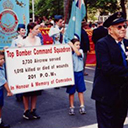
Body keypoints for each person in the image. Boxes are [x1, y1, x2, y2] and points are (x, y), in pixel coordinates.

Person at [91, 12, 128, 128]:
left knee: (119, 124)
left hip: (123, 94)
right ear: (110, 30)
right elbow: (106, 67)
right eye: (119, 27)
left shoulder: (126, 43)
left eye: (125, 26)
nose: (123, 29)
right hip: (106, 94)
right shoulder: (102, 44)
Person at [18, 22, 42, 120]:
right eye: (36, 29)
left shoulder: (38, 39)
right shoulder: (23, 41)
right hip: (26, 69)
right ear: (31, 30)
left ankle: (33, 109)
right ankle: (26, 110)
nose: (38, 31)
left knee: (35, 91)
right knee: (27, 91)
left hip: (36, 67)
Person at [67, 38, 86, 115]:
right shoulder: (69, 53)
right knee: (71, 92)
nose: (78, 46)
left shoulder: (80, 51)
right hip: (72, 74)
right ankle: (71, 107)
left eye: (79, 45)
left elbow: (78, 54)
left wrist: (72, 45)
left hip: (79, 73)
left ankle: (82, 106)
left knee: (80, 91)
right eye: (76, 45)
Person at [11, 23, 26, 102]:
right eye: (22, 30)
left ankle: (24, 94)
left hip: (25, 61)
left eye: (24, 30)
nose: (24, 32)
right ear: (18, 31)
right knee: (18, 78)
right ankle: (18, 95)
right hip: (18, 61)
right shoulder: (15, 40)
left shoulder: (26, 39)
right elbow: (11, 50)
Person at [0, 50, 13, 128]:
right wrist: (9, 91)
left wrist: (6, 50)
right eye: (0, 59)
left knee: (0, 106)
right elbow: (4, 82)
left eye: (3, 59)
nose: (2, 60)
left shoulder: (2, 66)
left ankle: (0, 120)